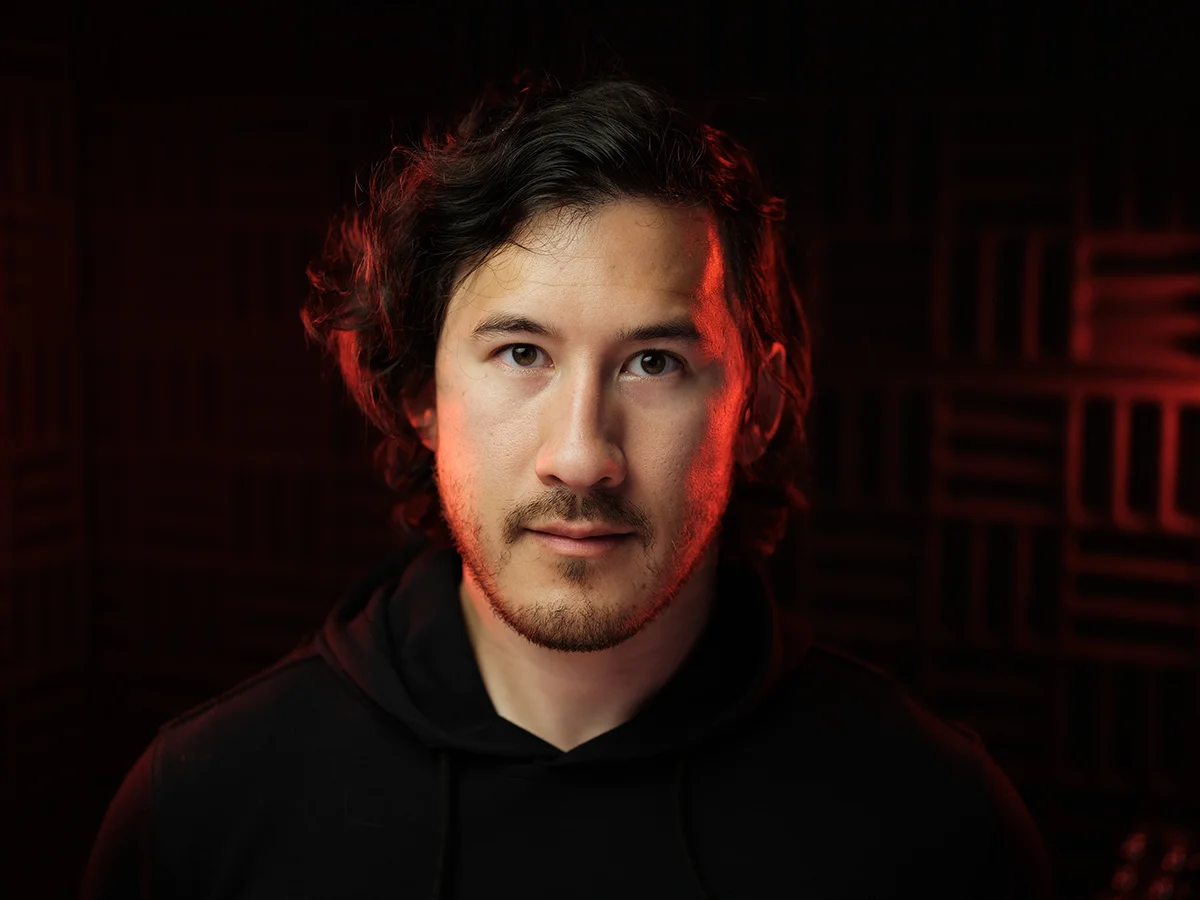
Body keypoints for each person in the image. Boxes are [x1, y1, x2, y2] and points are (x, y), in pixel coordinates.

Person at [81, 73, 1055, 899]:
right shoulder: (202, 808)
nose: (583, 455)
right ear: (422, 397)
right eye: (521, 353)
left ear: (756, 408)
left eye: (654, 363)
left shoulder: (935, 822)